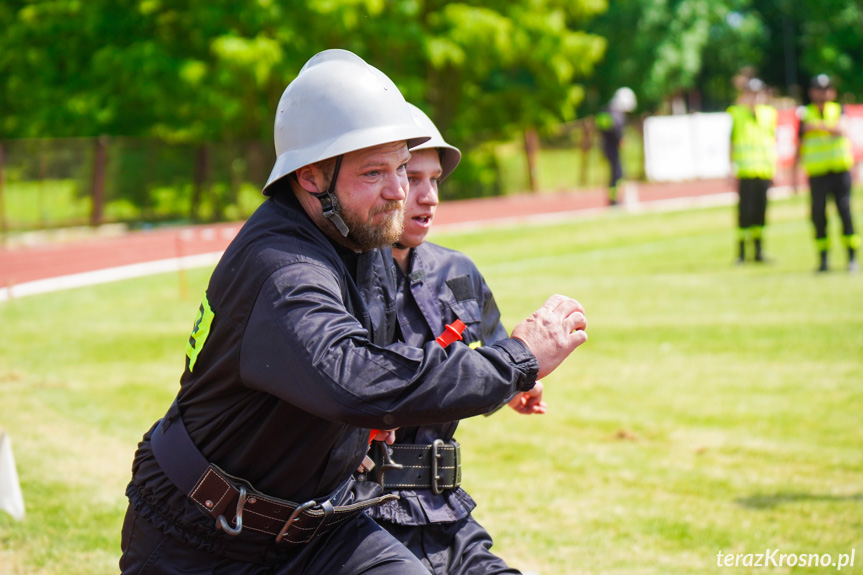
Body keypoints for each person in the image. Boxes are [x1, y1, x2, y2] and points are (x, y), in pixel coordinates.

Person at [119, 49, 588, 574]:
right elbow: (357, 381)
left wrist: (357, 434)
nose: (398, 192)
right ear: (313, 176)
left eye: (403, 168)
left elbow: (374, 377)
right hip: (202, 537)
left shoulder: (366, 244)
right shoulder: (282, 268)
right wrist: (518, 358)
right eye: (373, 173)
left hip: (322, 528)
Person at [354, 104, 544, 575]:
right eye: (412, 178)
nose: (426, 196)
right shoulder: (342, 275)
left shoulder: (458, 272)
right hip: (358, 515)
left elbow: (493, 356)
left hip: (445, 511)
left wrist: (517, 386)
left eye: (434, 180)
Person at [798, 74, 859, 273]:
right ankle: (823, 260)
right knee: (818, 216)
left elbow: (841, 129)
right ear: (811, 91)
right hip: (817, 173)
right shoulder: (805, 113)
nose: (822, 93)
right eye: (818, 89)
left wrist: (817, 127)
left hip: (840, 170)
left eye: (826, 89)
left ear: (832, 91)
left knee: (845, 212)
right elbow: (800, 142)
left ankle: (851, 257)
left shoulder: (838, 109)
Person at [727, 77, 777, 264]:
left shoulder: (769, 114)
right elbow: (731, 143)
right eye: (751, 94)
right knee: (744, 212)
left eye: (757, 93)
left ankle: (758, 250)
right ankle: (741, 252)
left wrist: (774, 169)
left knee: (761, 212)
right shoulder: (736, 114)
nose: (755, 98)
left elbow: (771, 143)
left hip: (763, 170)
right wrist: (730, 169)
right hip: (745, 171)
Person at [596, 87, 637, 206]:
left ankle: (614, 199)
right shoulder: (615, 114)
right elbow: (615, 130)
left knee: (616, 173)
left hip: (607, 148)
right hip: (611, 149)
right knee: (617, 174)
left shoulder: (606, 112)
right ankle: (614, 200)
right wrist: (620, 139)